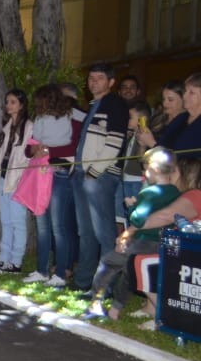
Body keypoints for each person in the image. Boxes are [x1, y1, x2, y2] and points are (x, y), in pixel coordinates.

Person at [85, 148, 180, 320]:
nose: (143, 173)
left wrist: (132, 206)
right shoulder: (175, 192)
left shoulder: (149, 193)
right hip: (162, 242)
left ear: (155, 169)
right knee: (131, 272)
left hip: (143, 242)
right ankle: (115, 309)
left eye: (145, 169)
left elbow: (138, 219)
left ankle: (95, 303)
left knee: (108, 264)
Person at [71, 63, 128, 290]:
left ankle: (104, 288)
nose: (94, 82)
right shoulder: (95, 105)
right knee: (85, 233)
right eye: (91, 78)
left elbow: (114, 142)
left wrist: (93, 173)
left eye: (100, 78)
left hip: (100, 176)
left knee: (104, 233)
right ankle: (83, 282)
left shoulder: (115, 104)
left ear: (111, 82)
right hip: (82, 173)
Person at [23, 84, 76, 286]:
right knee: (42, 225)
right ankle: (41, 270)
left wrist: (48, 151)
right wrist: (34, 150)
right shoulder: (38, 119)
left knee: (58, 226)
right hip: (39, 172)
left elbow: (71, 146)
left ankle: (60, 273)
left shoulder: (68, 118)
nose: (38, 105)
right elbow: (31, 147)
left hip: (59, 174)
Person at [0, 89, 33, 274]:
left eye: (12, 102)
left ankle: (16, 261)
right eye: (7, 102)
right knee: (6, 220)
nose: (8, 105)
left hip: (18, 180)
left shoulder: (29, 126)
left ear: (21, 104)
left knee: (18, 221)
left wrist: (21, 175)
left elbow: (27, 156)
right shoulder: (7, 128)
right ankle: (4, 258)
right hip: (4, 178)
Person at [139, 72, 201, 161]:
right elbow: (163, 147)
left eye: (191, 92)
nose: (185, 96)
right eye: (185, 91)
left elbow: (181, 157)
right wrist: (144, 144)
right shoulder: (181, 118)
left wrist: (151, 143)